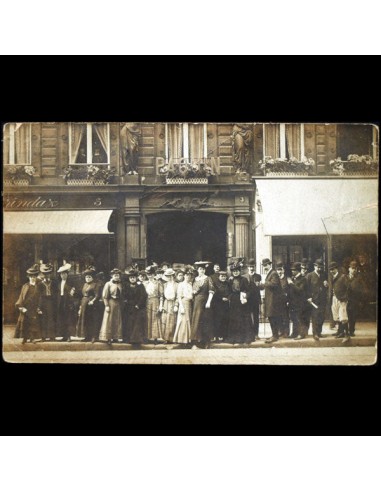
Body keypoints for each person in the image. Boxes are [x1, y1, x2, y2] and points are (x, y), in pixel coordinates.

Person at [14, 264, 43, 344]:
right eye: (31, 277)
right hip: (26, 307)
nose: (33, 278)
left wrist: (39, 307)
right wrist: (20, 306)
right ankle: (25, 338)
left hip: (34, 307)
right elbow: (21, 296)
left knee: (33, 323)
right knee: (25, 322)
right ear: (29, 277)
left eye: (34, 277)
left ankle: (32, 338)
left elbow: (40, 297)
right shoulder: (25, 286)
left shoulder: (38, 287)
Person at [226, 261, 253, 344]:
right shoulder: (230, 280)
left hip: (242, 302)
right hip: (234, 302)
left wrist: (246, 297)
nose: (235, 272)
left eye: (237, 271)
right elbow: (228, 291)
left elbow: (248, 291)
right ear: (232, 272)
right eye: (234, 271)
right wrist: (230, 297)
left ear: (239, 271)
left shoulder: (244, 280)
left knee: (243, 320)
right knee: (234, 320)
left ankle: (244, 339)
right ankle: (235, 339)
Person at [261, 258, 284, 343]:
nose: (265, 267)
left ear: (270, 264)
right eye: (263, 266)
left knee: (273, 317)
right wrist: (260, 286)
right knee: (271, 317)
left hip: (274, 300)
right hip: (270, 299)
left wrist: (264, 283)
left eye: (266, 265)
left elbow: (274, 284)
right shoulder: (269, 273)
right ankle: (274, 335)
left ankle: (275, 336)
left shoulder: (273, 273)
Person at [76, 267, 101, 343]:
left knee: (92, 320)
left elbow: (97, 295)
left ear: (92, 278)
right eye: (86, 277)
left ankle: (94, 336)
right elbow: (82, 295)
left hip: (92, 305)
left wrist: (92, 301)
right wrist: (80, 306)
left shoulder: (95, 285)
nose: (88, 278)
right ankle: (87, 336)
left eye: (89, 277)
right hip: (84, 303)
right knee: (85, 320)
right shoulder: (84, 285)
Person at [99, 269, 124, 345]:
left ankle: (115, 337)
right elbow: (105, 296)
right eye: (115, 275)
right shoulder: (108, 284)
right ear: (112, 276)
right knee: (109, 320)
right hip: (111, 302)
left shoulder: (120, 284)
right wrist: (106, 305)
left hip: (118, 303)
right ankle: (108, 338)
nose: (116, 277)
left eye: (118, 275)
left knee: (117, 320)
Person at [306, 259, 328, 341]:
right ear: (315, 266)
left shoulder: (323, 275)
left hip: (322, 299)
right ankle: (315, 334)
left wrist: (326, 285)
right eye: (318, 267)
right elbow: (306, 288)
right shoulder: (310, 275)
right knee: (315, 317)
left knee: (321, 317)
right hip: (314, 300)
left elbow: (326, 286)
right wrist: (308, 297)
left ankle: (319, 332)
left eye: (321, 267)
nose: (319, 269)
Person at [124, 269, 148, 347]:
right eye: (131, 278)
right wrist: (126, 301)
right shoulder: (126, 286)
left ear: (136, 278)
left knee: (137, 323)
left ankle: (136, 340)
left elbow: (143, 296)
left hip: (137, 307)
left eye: (134, 277)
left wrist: (138, 304)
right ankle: (128, 339)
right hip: (129, 307)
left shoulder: (140, 286)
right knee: (129, 323)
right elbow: (124, 295)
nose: (132, 279)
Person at [173, 267, 195, 345]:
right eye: (187, 275)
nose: (188, 277)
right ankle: (181, 340)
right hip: (183, 303)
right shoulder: (181, 284)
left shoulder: (190, 284)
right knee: (183, 321)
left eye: (190, 275)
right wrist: (181, 307)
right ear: (184, 276)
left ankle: (187, 340)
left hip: (189, 304)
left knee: (188, 321)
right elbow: (179, 296)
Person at [329, 262, 350, 343]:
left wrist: (344, 297)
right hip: (334, 298)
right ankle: (340, 332)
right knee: (336, 316)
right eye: (330, 270)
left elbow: (348, 288)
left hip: (342, 299)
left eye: (333, 269)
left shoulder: (343, 276)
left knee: (343, 316)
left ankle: (347, 335)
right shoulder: (332, 277)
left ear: (336, 268)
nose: (331, 271)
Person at [56, 263, 77, 342]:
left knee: (68, 319)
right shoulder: (59, 283)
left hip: (67, 302)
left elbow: (73, 292)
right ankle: (63, 335)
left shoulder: (70, 283)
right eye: (61, 274)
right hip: (60, 302)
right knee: (62, 319)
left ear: (67, 274)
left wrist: (72, 291)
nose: (63, 276)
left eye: (64, 274)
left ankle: (69, 336)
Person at [287, 262, 308, 340]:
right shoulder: (293, 279)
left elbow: (300, 290)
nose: (292, 271)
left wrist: (292, 284)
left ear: (298, 271)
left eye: (294, 270)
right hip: (292, 303)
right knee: (293, 318)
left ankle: (301, 334)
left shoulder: (303, 279)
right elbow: (290, 291)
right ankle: (294, 333)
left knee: (300, 318)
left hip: (300, 303)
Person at [143, 265, 164, 343]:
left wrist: (161, 305)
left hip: (155, 301)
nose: (149, 276)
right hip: (147, 301)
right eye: (148, 274)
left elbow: (161, 295)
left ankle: (155, 337)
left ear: (154, 274)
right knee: (148, 318)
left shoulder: (158, 283)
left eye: (151, 274)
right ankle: (147, 337)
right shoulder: (145, 283)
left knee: (155, 318)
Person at [209, 270, 231, 342]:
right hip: (218, 305)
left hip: (226, 305)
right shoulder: (215, 284)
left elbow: (231, 292)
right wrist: (221, 298)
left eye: (224, 276)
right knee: (217, 320)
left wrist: (228, 298)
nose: (223, 278)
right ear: (219, 277)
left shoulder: (228, 284)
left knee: (225, 320)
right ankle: (216, 336)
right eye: (221, 276)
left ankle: (223, 336)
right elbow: (214, 294)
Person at [243, 258, 261, 340]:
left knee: (256, 317)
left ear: (255, 266)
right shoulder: (244, 277)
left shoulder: (258, 276)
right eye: (250, 266)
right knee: (247, 316)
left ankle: (256, 334)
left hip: (255, 299)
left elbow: (259, 288)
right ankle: (249, 334)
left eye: (253, 266)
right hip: (247, 299)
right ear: (247, 267)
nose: (251, 268)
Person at [39, 263, 57, 341]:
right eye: (45, 274)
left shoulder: (53, 283)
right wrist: (39, 306)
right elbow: (39, 294)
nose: (47, 276)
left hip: (51, 301)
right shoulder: (40, 284)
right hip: (43, 301)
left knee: (51, 318)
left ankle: (51, 336)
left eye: (48, 274)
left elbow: (56, 292)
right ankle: (43, 336)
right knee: (43, 318)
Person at [160, 268, 179, 343]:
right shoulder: (164, 285)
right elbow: (162, 295)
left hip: (173, 302)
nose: (169, 277)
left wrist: (176, 305)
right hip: (166, 302)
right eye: (167, 276)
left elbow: (178, 296)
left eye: (170, 276)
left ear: (173, 276)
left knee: (172, 320)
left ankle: (172, 338)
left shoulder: (177, 285)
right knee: (165, 320)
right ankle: (166, 338)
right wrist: (162, 305)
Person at [347, 260, 365, 337]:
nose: (353, 270)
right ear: (349, 268)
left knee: (352, 316)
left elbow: (362, 289)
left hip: (354, 299)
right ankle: (344, 331)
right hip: (346, 299)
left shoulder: (359, 277)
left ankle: (351, 331)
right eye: (352, 268)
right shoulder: (345, 276)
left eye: (354, 268)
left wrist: (360, 300)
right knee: (345, 315)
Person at [275, 262, 290, 338]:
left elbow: (290, 291)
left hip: (285, 301)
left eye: (281, 270)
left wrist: (288, 300)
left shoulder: (287, 279)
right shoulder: (276, 279)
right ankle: (281, 331)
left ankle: (286, 332)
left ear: (283, 270)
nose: (279, 272)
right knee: (279, 317)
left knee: (285, 317)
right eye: (278, 270)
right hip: (277, 301)